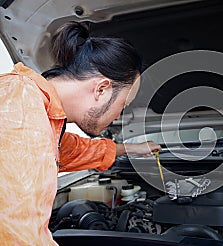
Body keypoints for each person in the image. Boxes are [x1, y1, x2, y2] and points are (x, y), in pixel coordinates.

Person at [0, 21, 161, 244]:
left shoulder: (39, 113)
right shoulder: (20, 106)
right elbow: (16, 233)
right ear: (101, 89)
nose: (117, 117)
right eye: (123, 105)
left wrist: (131, 149)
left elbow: (71, 150)